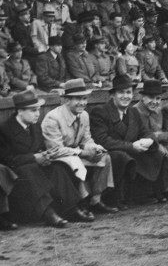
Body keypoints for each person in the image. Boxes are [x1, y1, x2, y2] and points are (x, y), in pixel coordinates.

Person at [0, 90, 83, 227]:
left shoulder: (35, 127)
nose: (38, 113)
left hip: (35, 171)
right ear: (20, 111)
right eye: (33, 110)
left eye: (38, 110)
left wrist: (46, 155)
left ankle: (72, 208)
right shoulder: (5, 129)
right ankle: (48, 214)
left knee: (56, 168)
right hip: (16, 177)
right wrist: (33, 157)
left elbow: (39, 148)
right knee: (29, 169)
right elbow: (6, 160)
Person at [89, 75, 168, 208]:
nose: (125, 96)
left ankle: (145, 194)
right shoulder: (101, 112)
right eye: (121, 92)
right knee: (121, 156)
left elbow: (146, 132)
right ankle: (115, 199)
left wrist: (149, 140)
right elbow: (103, 140)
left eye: (128, 92)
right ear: (112, 95)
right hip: (110, 153)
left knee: (156, 152)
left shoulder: (133, 112)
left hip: (129, 150)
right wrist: (131, 146)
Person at [40, 79, 117, 218]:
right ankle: (81, 203)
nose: (82, 103)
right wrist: (82, 153)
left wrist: (94, 148)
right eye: (77, 99)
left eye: (84, 98)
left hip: (76, 154)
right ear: (66, 100)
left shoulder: (84, 115)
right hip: (58, 159)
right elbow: (55, 150)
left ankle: (95, 200)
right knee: (76, 162)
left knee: (104, 157)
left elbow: (86, 138)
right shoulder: (53, 118)